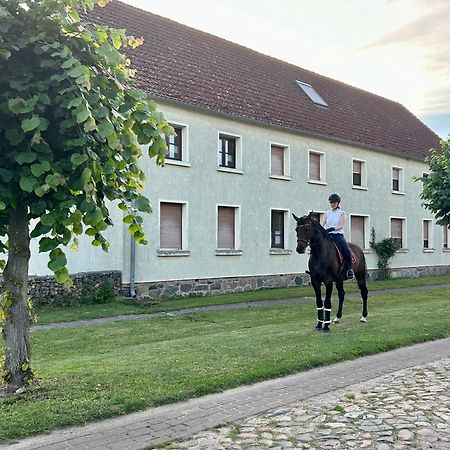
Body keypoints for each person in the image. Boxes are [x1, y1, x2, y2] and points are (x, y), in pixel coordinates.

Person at [321, 193, 354, 280]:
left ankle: (350, 269)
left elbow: (340, 225)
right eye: (331, 203)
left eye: (334, 203)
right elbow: (322, 223)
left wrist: (332, 228)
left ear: (338, 203)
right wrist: (322, 230)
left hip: (338, 235)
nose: (332, 204)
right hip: (328, 235)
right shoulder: (327, 213)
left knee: (346, 250)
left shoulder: (342, 213)